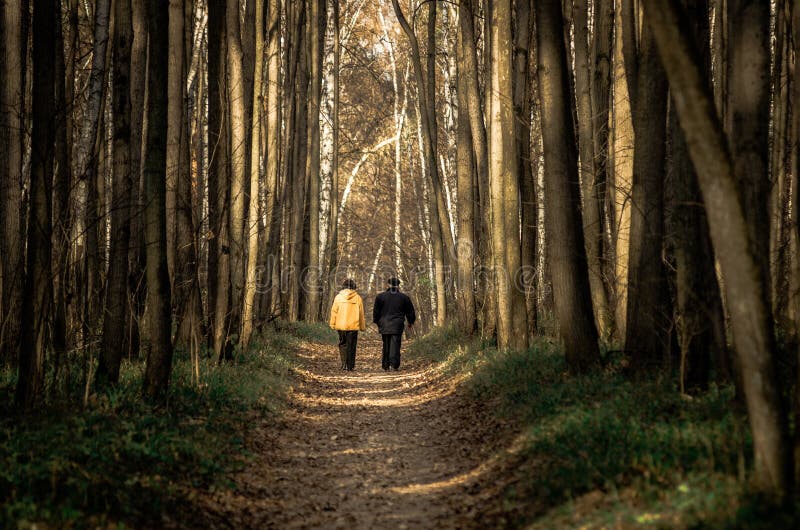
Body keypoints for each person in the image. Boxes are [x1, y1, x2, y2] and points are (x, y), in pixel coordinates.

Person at [372, 277, 416, 371]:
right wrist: (410, 321)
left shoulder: (380, 297)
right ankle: (394, 365)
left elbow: (376, 311)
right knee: (395, 344)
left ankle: (386, 365)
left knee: (386, 344)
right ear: (398, 285)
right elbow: (410, 311)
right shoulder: (404, 297)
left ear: (388, 285)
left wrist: (376, 321)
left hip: (384, 323)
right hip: (397, 324)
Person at [329, 279, 366, 371]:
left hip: (341, 325)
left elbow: (334, 312)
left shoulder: (338, 297)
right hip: (353, 325)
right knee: (352, 345)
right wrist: (362, 326)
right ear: (354, 287)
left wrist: (332, 324)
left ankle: (344, 364)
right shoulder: (357, 298)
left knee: (342, 344)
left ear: (343, 286)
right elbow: (361, 313)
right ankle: (350, 366)